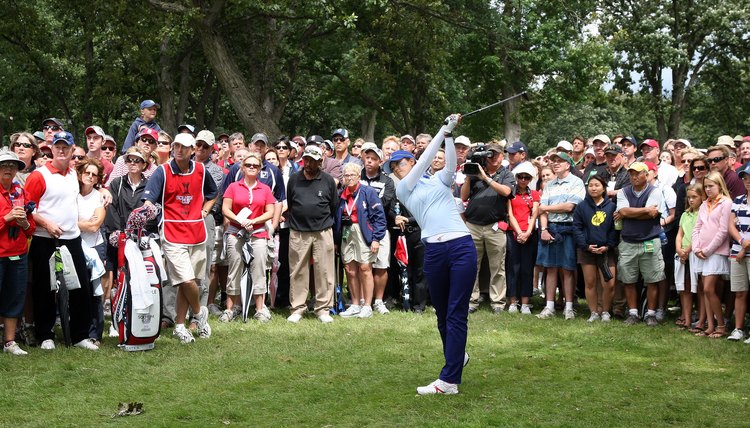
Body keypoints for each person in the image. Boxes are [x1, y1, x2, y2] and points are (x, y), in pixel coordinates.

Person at [388, 115, 475, 395]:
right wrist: (443, 128)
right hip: (434, 250)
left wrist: (448, 137)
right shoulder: (404, 188)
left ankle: (449, 381)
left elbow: (451, 164)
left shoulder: (439, 181)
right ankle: (457, 355)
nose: (397, 169)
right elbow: (426, 159)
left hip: (461, 245)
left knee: (456, 313)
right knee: (441, 313)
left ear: (410, 162)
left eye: (400, 163)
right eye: (394, 166)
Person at [142, 133, 218, 343]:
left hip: (196, 234)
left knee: (189, 283)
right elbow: (149, 198)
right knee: (186, 280)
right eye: (176, 145)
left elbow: (213, 193)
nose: (179, 150)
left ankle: (179, 326)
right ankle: (200, 313)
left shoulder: (201, 170)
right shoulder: (163, 171)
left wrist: (204, 212)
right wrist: (146, 208)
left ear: (192, 149)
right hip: (172, 234)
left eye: (184, 147)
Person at [25, 131, 98, 350]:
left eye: (66, 146)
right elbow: (28, 208)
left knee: (80, 288)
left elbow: (90, 187)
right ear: (52, 148)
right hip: (44, 238)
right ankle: (45, 334)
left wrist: (104, 192)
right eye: (58, 146)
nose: (62, 150)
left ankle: (80, 336)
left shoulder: (74, 174)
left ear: (72, 148)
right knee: (45, 289)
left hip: (71, 238)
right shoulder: (39, 175)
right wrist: (46, 224)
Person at [103, 147, 156, 329]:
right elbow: (112, 210)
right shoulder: (116, 184)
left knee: (139, 279)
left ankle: (137, 317)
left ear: (144, 164)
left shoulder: (150, 185)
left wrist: (139, 233)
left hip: (141, 241)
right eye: (129, 160)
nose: (132, 163)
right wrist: (120, 234)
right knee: (118, 280)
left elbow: (150, 212)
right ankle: (116, 320)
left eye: (137, 160)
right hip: (119, 240)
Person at [285, 145, 338, 323]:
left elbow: (333, 206)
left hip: (322, 231)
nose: (307, 163)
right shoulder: (294, 179)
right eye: (305, 159)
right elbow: (291, 205)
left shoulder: (328, 180)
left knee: (324, 271)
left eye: (312, 161)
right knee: (298, 271)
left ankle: (323, 309)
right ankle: (298, 308)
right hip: (299, 232)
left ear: (320, 162)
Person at [221, 153, 275, 322]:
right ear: (242, 168)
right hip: (236, 231)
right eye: (249, 165)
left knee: (259, 268)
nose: (252, 167)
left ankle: (260, 309)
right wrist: (240, 221)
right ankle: (231, 309)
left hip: (258, 232)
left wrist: (254, 221)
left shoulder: (265, 189)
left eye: (256, 165)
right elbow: (225, 209)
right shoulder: (233, 187)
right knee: (234, 268)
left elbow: (270, 211)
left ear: (260, 169)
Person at [463, 143, 515, 313]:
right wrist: (470, 176)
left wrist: (485, 177)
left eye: (495, 154)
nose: (491, 157)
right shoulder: (476, 171)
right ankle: (472, 300)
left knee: (497, 266)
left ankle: (498, 302)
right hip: (473, 225)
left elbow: (506, 192)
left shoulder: (506, 174)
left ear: (502, 156)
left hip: (495, 226)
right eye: (489, 154)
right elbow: (463, 196)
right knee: (471, 265)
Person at [615, 162, 666, 326]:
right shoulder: (623, 191)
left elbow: (652, 215)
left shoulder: (655, 191)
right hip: (628, 241)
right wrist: (644, 210)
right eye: (631, 174)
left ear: (646, 174)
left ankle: (650, 314)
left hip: (650, 240)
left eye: (637, 173)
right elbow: (623, 211)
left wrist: (629, 213)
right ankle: (633, 313)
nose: (634, 177)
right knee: (628, 279)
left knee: (652, 279)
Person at [536, 152, 585, 320]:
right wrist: (543, 229)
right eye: (554, 161)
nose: (556, 164)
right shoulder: (549, 185)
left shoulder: (576, 182)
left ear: (568, 164)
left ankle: (569, 307)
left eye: (560, 161)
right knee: (550, 268)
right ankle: (549, 306)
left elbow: (569, 207)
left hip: (568, 229)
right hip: (550, 228)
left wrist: (546, 209)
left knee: (568, 269)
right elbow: (542, 210)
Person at [335, 163, 386, 318]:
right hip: (346, 232)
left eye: (352, 175)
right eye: (346, 175)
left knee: (365, 267)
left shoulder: (367, 192)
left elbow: (379, 217)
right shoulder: (341, 194)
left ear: (358, 176)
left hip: (364, 232)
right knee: (350, 269)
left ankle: (367, 306)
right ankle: (355, 304)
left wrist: (376, 238)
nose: (349, 178)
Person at [0, 150, 35, 355]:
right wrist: (7, 218)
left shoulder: (20, 193)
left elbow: (30, 228)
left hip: (18, 253)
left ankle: (10, 342)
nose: (8, 169)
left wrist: (23, 222)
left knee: (14, 297)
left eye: (12, 166)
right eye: (4, 165)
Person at [691, 171, 731, 338]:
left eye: (711, 186)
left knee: (708, 289)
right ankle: (710, 326)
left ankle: (721, 326)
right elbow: (697, 228)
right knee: (704, 289)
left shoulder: (726, 203)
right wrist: (696, 247)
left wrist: (707, 250)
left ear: (719, 185)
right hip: (701, 251)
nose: (707, 189)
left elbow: (723, 231)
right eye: (706, 186)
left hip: (716, 252)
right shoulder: (703, 204)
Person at [357, 143, 396, 314]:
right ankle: (363, 299)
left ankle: (378, 301)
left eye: (373, 159)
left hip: (380, 228)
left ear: (380, 161)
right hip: (359, 228)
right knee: (362, 265)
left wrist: (365, 204)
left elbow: (385, 203)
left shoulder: (387, 181)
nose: (369, 161)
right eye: (367, 158)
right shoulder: (357, 177)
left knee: (381, 265)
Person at [573, 174, 617, 322]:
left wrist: (608, 246)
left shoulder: (612, 207)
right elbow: (577, 228)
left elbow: (614, 228)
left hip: (606, 251)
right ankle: (593, 312)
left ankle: (605, 311)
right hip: (587, 251)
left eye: (597, 185)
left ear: (603, 188)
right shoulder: (581, 207)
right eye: (590, 185)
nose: (593, 188)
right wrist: (586, 246)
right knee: (590, 283)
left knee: (609, 283)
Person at [76, 158, 106, 343]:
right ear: (80, 174)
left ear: (97, 179)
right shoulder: (71, 194)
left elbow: (95, 226)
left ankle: (95, 333)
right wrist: (81, 224)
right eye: (87, 172)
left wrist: (74, 224)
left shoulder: (99, 196)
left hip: (95, 247)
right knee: (78, 290)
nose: (90, 176)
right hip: (74, 245)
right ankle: (78, 330)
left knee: (95, 292)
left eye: (94, 174)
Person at [506, 162, 539, 314]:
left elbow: (534, 215)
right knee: (513, 267)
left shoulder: (534, 194)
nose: (523, 180)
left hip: (530, 235)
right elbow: (510, 214)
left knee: (527, 268)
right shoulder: (511, 193)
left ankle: (525, 302)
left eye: (527, 177)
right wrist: (519, 232)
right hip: (514, 233)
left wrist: (527, 232)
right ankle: (513, 301)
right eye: (520, 177)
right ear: (516, 177)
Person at [675, 183, 704, 332]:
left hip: (696, 253)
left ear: (702, 197)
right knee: (684, 287)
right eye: (689, 197)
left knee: (699, 288)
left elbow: (699, 235)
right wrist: (679, 250)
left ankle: (701, 319)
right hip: (683, 255)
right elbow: (680, 234)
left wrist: (687, 250)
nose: (691, 200)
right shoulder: (685, 214)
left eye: (695, 197)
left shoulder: (704, 213)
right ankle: (686, 319)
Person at [728, 166, 750, 342]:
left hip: (743, 252)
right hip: (737, 252)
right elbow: (731, 226)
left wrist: (744, 248)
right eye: (745, 178)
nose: (747, 181)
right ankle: (738, 329)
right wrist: (742, 243)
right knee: (740, 292)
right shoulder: (738, 200)